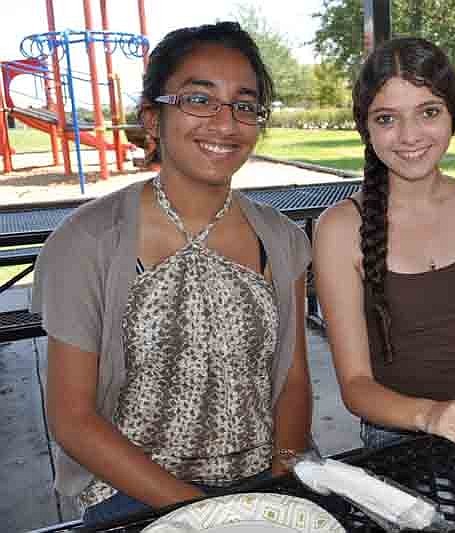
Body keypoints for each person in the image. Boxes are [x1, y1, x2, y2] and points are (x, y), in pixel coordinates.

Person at [31, 21, 312, 524]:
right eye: (198, 100)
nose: (225, 123)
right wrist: (206, 515)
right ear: (153, 120)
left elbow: (292, 382)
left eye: (244, 105)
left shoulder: (283, 239)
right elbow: (73, 420)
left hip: (260, 480)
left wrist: (276, 487)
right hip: (130, 488)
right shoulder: (88, 243)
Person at [313, 37, 455, 450]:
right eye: (386, 119)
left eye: (428, 112)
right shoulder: (339, 228)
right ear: (366, 128)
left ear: (453, 114)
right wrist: (430, 415)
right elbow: (356, 386)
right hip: (397, 437)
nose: (409, 135)